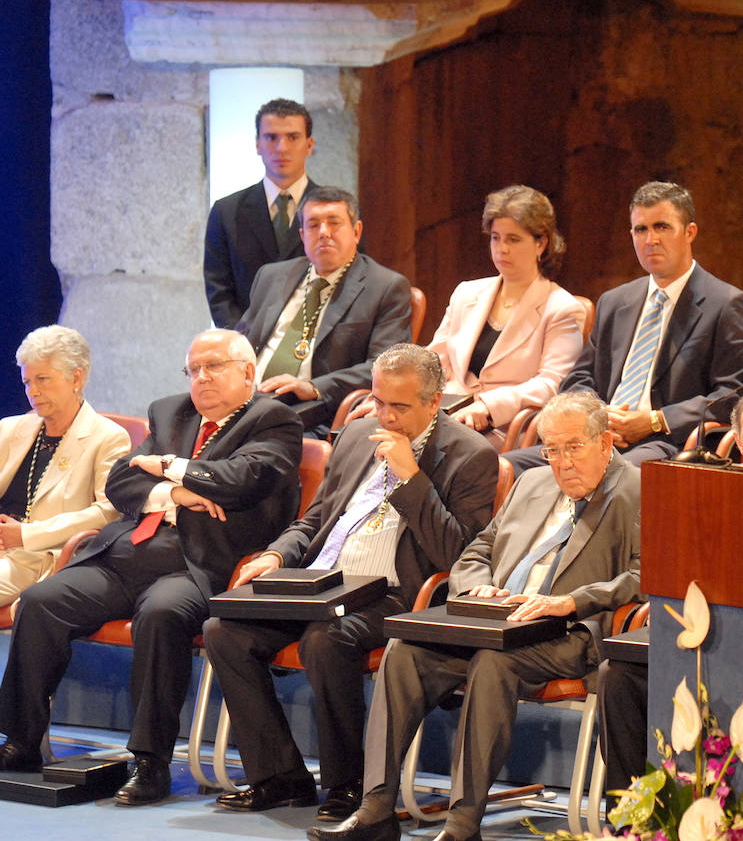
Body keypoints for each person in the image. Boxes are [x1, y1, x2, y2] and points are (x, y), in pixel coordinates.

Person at [0, 329, 303, 806]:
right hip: (127, 553)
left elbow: (240, 480)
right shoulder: (170, 411)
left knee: (161, 614)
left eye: (214, 367)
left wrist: (166, 466)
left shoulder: (274, 420)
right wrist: (176, 492)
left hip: (198, 565)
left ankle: (150, 762)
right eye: (194, 369)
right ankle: (21, 743)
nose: (201, 378)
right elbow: (120, 482)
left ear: (248, 372)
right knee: (41, 601)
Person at [310, 391, 642, 841]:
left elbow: (647, 575)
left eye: (574, 447)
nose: (562, 463)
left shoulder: (638, 488)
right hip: (493, 622)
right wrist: (475, 586)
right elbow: (478, 549)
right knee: (404, 651)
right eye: (552, 449)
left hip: (566, 631)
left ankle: (463, 825)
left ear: (605, 442)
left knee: (493, 664)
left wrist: (572, 601)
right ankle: (376, 810)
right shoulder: (532, 482)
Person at [202, 345, 498, 821]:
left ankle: (349, 785)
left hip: (395, 593)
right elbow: (317, 517)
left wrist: (411, 477)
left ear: (433, 402)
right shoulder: (358, 433)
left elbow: (458, 556)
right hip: (323, 580)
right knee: (224, 631)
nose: (386, 416)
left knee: (327, 639)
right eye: (379, 401)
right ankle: (280, 777)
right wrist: (277, 554)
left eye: (399, 406)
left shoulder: (472, 455)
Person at [0, 326, 129, 777]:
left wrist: (26, 534)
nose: (33, 392)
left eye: (43, 380)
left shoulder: (107, 437)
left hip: (40, 558)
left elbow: (108, 511)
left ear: (77, 377)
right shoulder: (12, 429)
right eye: (26, 381)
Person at [509, 181, 743, 471]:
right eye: (641, 229)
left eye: (662, 227)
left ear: (689, 232)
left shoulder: (726, 304)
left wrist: (656, 420)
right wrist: (598, 416)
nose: (650, 239)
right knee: (501, 467)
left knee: (609, 474)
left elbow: (735, 395)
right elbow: (579, 378)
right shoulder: (615, 302)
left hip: (668, 443)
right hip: (598, 437)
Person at [238, 186, 412, 436]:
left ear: (356, 231)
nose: (323, 233)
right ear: (302, 235)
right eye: (313, 225)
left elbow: (385, 366)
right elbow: (241, 341)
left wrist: (313, 387)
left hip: (311, 409)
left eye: (334, 223)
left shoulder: (385, 287)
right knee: (181, 416)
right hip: (247, 396)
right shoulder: (271, 276)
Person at [427, 185, 584, 448]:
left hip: (504, 430)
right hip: (448, 416)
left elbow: (552, 384)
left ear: (541, 243)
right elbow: (435, 360)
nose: (502, 249)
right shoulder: (466, 292)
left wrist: (488, 406)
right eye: (495, 238)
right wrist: (396, 399)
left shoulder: (562, 308)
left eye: (513, 239)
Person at [205, 98, 318, 328]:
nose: (282, 148)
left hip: (317, 339)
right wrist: (241, 342)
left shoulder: (338, 212)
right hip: (246, 339)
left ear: (309, 145)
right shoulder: (227, 212)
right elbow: (219, 290)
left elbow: (350, 281)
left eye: (293, 137)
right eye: (271, 137)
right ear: (258, 144)